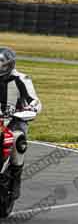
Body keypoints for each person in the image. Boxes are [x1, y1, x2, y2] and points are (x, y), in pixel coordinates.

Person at [0, 47, 43, 200]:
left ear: (9, 65)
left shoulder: (21, 79)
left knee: (18, 139)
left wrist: (30, 110)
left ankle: (16, 177)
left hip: (14, 120)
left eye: (2, 65)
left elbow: (35, 100)